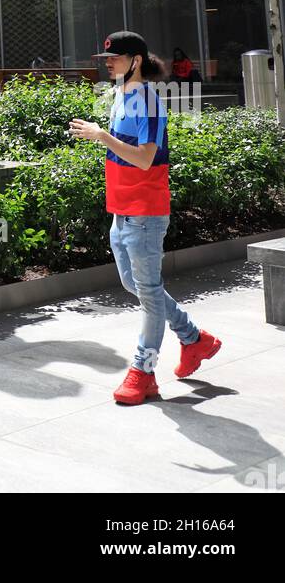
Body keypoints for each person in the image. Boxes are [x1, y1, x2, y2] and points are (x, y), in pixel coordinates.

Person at [69, 30, 221, 406]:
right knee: (136, 285)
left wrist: (100, 135)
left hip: (145, 213)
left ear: (136, 61)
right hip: (122, 212)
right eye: (106, 58)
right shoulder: (122, 96)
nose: (108, 63)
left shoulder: (149, 101)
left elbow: (145, 157)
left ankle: (144, 371)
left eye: (116, 58)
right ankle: (193, 339)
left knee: (148, 293)